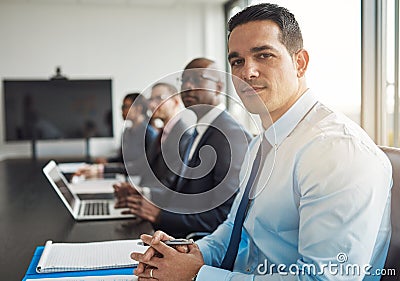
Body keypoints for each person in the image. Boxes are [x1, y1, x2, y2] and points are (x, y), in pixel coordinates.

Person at [131, 3, 392, 281]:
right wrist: (193, 252)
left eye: (264, 55)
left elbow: (322, 279)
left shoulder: (336, 152)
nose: (247, 73)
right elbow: (236, 228)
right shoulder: (261, 143)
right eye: (237, 61)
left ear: (299, 62)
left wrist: (199, 276)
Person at [114, 58, 252, 238]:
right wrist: (144, 194)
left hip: (198, 245)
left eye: (196, 79)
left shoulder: (231, 136)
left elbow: (224, 216)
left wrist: (159, 215)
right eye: (184, 80)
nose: (187, 86)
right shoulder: (200, 130)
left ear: (218, 87)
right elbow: (182, 191)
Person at [76, 93, 157, 177]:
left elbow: (144, 166)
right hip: (126, 178)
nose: (122, 110)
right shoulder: (126, 132)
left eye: (125, 107)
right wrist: (106, 161)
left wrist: (102, 169)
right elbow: (122, 159)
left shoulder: (150, 134)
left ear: (138, 109)